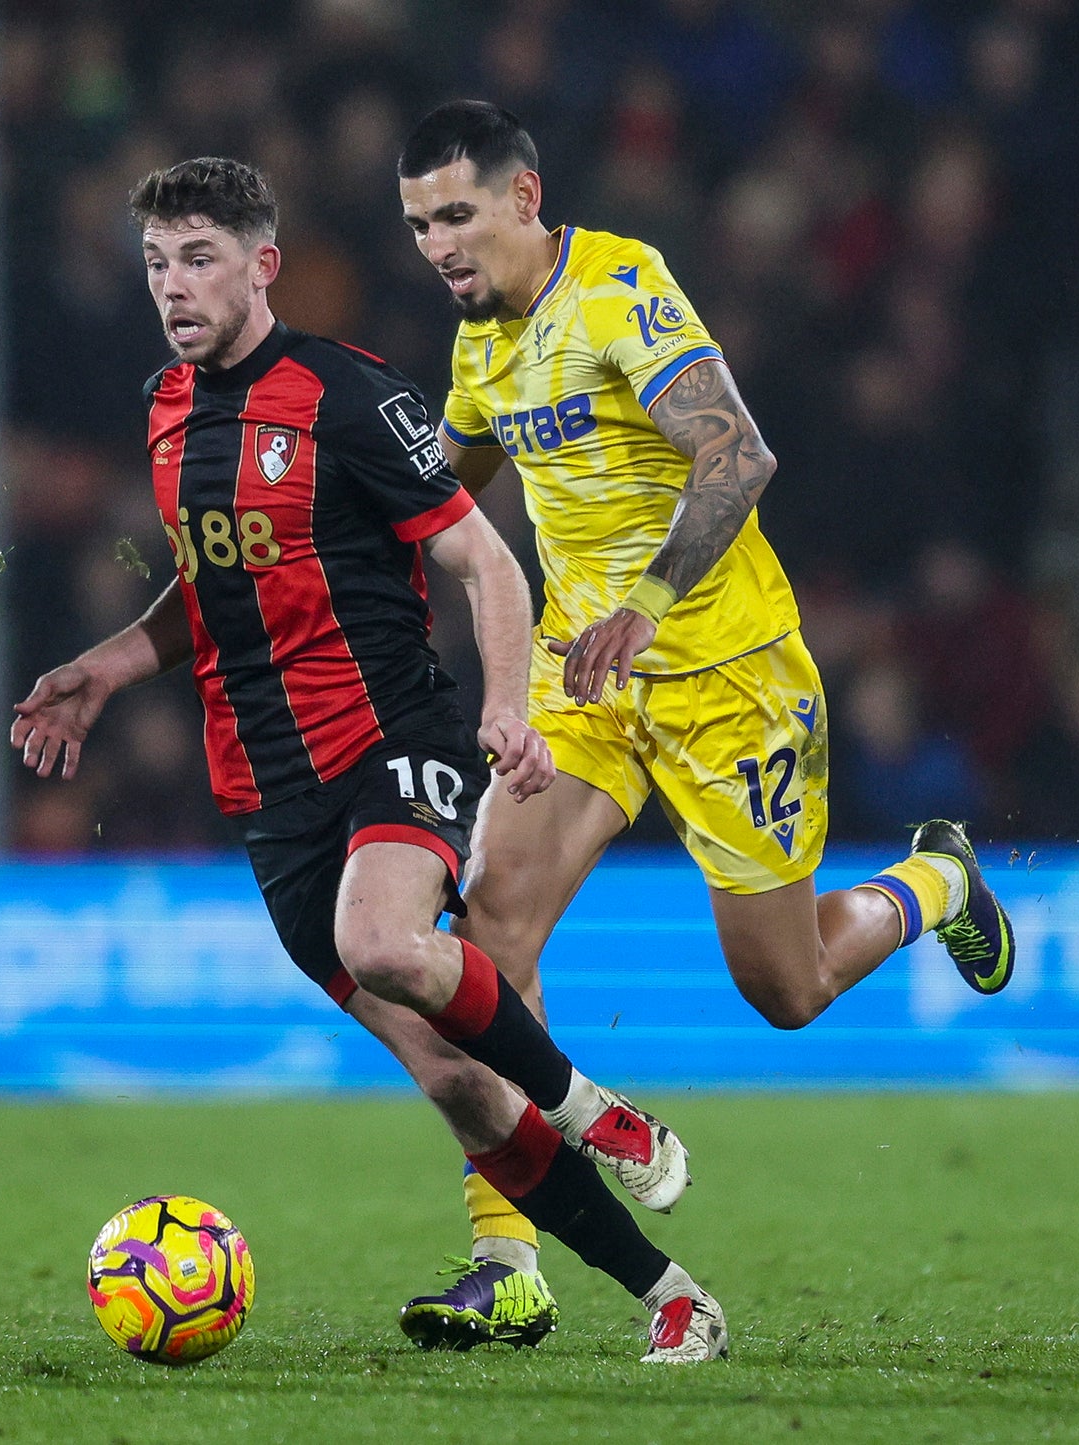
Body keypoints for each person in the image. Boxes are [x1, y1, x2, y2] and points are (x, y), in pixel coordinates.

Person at [10, 156, 726, 1364]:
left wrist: (508, 707)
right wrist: (114, 663)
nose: (172, 286)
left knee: (384, 940)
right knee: (451, 1076)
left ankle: (592, 1107)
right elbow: (222, 582)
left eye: (198, 258)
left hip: (393, 740)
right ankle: (670, 1293)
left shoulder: (346, 395)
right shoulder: (166, 406)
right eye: (155, 262)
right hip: (266, 791)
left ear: (261, 264)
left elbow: (486, 564)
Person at [395, 100, 1017, 1345]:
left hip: (727, 678)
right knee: (486, 925)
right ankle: (508, 1256)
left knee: (783, 989)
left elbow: (737, 458)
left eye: (455, 215)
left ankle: (934, 883)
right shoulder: (481, 344)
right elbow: (437, 492)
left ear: (524, 198)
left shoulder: (620, 289)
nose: (437, 246)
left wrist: (647, 599)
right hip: (587, 684)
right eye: (415, 225)